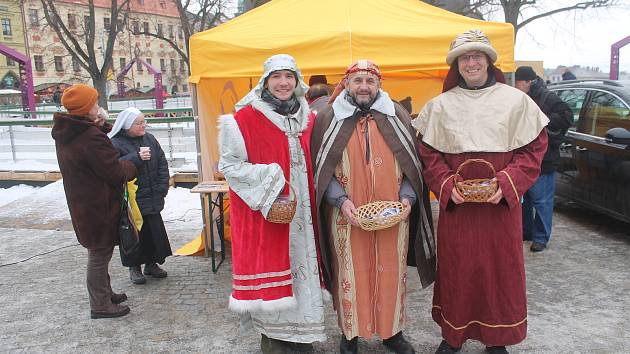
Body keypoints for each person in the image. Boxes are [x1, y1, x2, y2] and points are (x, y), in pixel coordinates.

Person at [411, 30, 549, 354]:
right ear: (456, 65)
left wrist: (505, 184)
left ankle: (496, 339)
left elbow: (533, 150)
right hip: (459, 211)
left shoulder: (516, 101)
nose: (471, 63)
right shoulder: (440, 106)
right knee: (458, 270)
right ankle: (452, 336)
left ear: (488, 61)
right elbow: (428, 155)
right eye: (465, 58)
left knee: (499, 273)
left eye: (477, 56)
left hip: (500, 211)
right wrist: (446, 185)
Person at [311, 60, 436, 354]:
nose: (364, 86)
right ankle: (350, 334)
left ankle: (392, 332)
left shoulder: (398, 115)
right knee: (350, 274)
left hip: (393, 215)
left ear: (378, 84)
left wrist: (408, 198)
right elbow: (320, 169)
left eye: (369, 80)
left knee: (391, 273)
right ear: (346, 84)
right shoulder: (328, 117)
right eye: (357, 81)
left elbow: (413, 166)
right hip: (346, 216)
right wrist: (340, 201)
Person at [218, 54, 327, 354]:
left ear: (297, 81)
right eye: (276, 77)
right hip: (268, 216)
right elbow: (229, 166)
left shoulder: (309, 119)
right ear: (265, 82)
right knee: (273, 289)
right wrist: (272, 176)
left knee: (303, 283)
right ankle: (275, 344)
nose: (283, 83)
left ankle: (302, 341)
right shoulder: (244, 119)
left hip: (304, 219)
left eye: (289, 77)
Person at [51, 84, 139, 319]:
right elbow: (114, 171)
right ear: (86, 109)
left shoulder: (71, 132)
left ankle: (105, 293)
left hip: (84, 203)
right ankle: (100, 304)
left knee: (101, 252)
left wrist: (101, 126)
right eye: (95, 103)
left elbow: (97, 153)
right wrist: (135, 163)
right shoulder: (89, 137)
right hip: (98, 205)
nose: (99, 106)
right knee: (99, 254)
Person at [108, 107, 172, 283]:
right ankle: (134, 267)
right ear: (128, 125)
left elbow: (162, 163)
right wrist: (136, 157)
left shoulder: (150, 139)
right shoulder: (115, 143)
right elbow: (113, 168)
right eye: (139, 123)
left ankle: (152, 264)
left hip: (152, 194)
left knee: (153, 232)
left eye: (144, 121)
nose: (144, 125)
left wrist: (161, 187)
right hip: (132, 199)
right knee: (133, 234)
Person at [515, 66, 573, 252]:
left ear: (528, 81)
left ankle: (540, 238)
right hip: (524, 157)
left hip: (545, 159)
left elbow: (567, 116)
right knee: (525, 200)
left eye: (517, 82)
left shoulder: (548, 97)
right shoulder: (522, 97)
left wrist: (539, 119)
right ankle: (527, 231)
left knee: (542, 201)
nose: (515, 86)